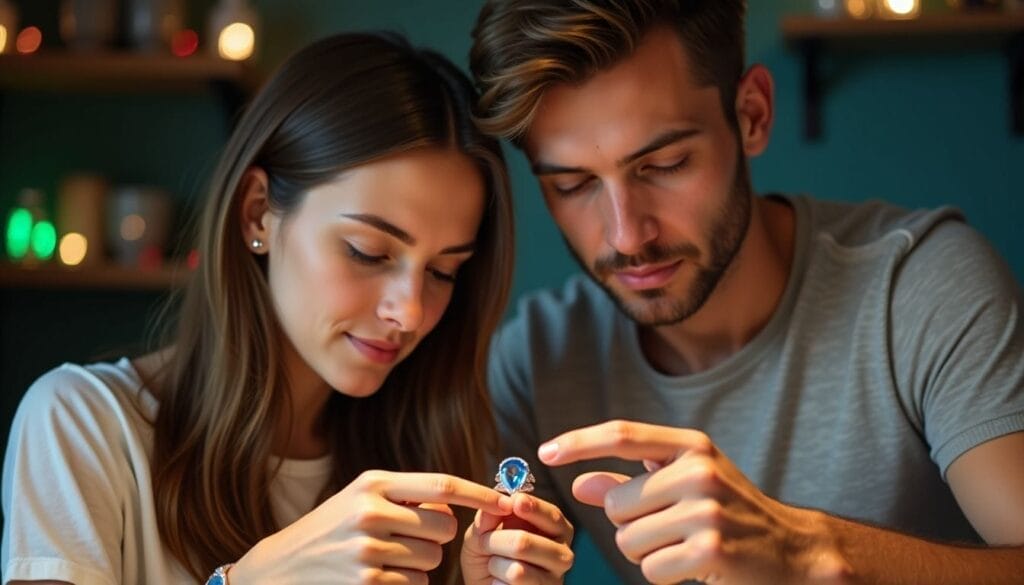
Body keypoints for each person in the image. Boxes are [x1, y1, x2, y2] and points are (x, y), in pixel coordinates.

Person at [469, 1, 1024, 583]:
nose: (627, 235)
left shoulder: (924, 285)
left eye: (665, 163)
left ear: (753, 114)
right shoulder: (535, 362)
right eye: (573, 184)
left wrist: (806, 553)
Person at [1, 32, 574, 585]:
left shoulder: (436, 467)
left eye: (443, 271)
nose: (412, 312)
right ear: (257, 214)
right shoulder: (83, 426)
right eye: (368, 252)